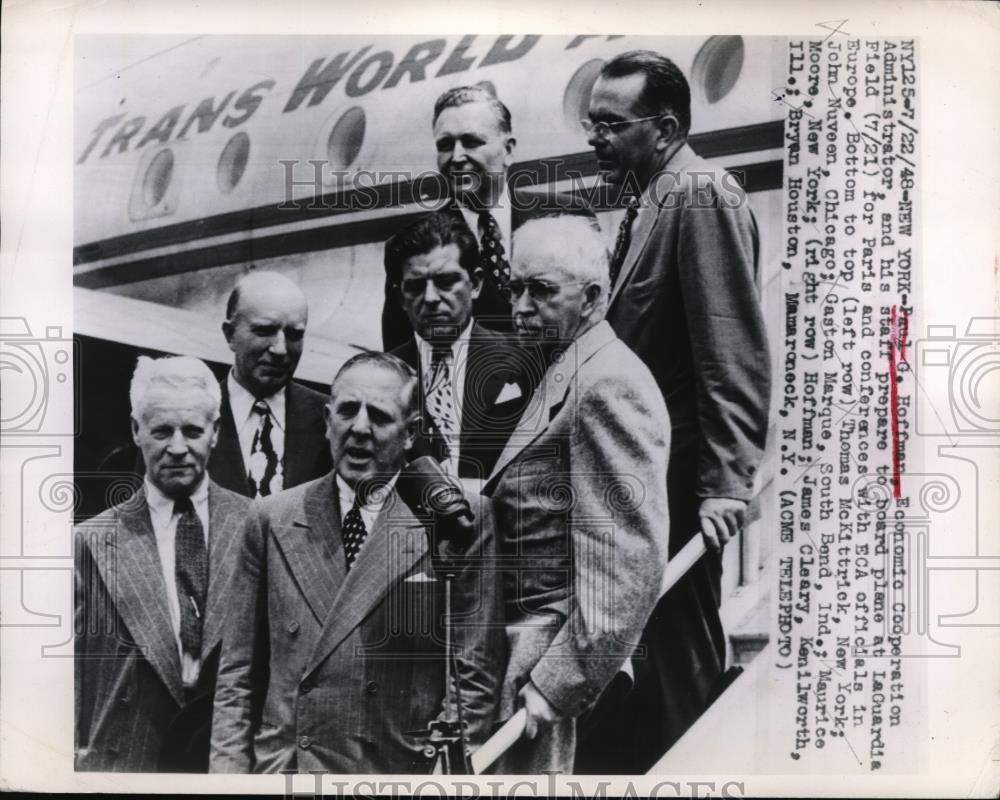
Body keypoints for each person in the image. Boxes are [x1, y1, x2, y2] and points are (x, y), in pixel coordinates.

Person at [575, 50, 772, 773]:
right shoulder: (652, 197)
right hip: (644, 490)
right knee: (648, 672)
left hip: (682, 492)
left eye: (609, 124)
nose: (593, 137)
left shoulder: (699, 195)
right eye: (590, 122)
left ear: (661, 129)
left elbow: (732, 351)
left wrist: (727, 482)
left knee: (683, 675)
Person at [210, 353, 504, 774]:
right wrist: (227, 783)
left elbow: (473, 675)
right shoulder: (271, 517)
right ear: (328, 420)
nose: (359, 429)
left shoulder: (458, 520)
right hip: (289, 769)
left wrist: (446, 779)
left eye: (380, 416)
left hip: (394, 773)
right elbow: (237, 675)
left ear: (410, 433)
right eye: (348, 410)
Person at [482, 216, 670, 773]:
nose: (520, 306)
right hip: (523, 651)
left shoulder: (606, 383)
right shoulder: (569, 368)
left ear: (591, 298)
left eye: (540, 291)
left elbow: (629, 559)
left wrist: (557, 684)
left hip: (544, 661)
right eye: (515, 288)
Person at [74, 356, 250, 772]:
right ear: (136, 431)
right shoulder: (90, 542)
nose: (177, 448)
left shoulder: (257, 526)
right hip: (128, 763)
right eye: (161, 431)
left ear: (216, 433)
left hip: (224, 766)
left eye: (192, 431)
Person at [380, 84, 595, 351]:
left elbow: (598, 317)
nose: (457, 157)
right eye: (446, 145)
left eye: (471, 142)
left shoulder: (570, 216)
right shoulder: (411, 246)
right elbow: (402, 357)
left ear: (508, 151)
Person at [386, 212, 534, 481]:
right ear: (400, 297)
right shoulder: (380, 379)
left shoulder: (527, 361)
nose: (430, 298)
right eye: (416, 286)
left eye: (446, 282)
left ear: (476, 284)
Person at [211, 271, 332, 498]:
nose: (280, 349)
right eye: (264, 331)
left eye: (294, 334)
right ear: (230, 335)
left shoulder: (332, 420)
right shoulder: (192, 415)